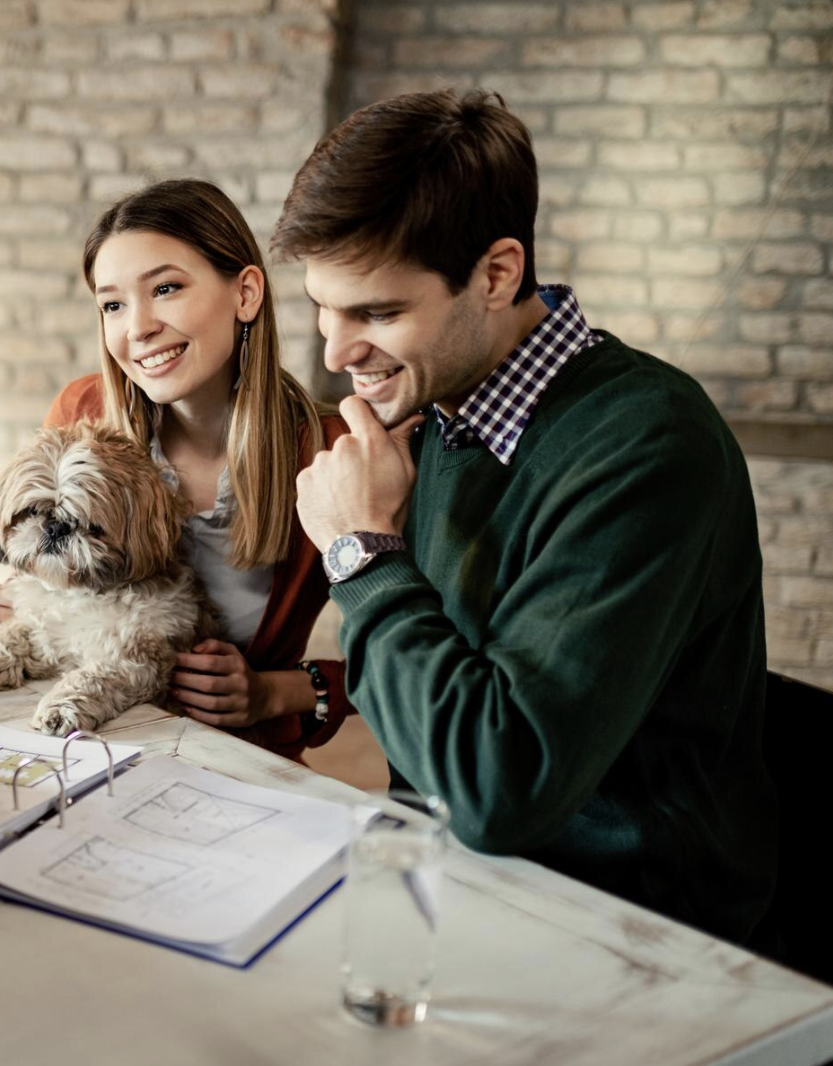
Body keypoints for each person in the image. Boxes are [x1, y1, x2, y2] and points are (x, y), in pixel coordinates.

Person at [276, 88, 776, 943]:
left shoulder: (648, 444)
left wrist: (363, 554)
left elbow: (496, 791)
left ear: (497, 274)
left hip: (630, 933)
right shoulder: (431, 412)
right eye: (325, 308)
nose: (334, 351)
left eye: (379, 313)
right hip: (451, 883)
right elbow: (424, 726)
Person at [0, 179, 357, 761]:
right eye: (113, 304)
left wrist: (277, 692)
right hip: (79, 745)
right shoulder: (83, 411)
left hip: (229, 762)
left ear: (246, 294)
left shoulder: (330, 451)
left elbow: (414, 648)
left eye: (165, 288)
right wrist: (28, 601)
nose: (138, 328)